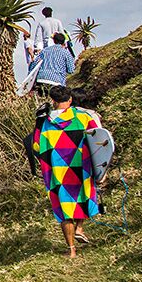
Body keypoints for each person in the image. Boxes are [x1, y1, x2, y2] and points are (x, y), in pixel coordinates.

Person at [36, 84, 101, 258]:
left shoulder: (45, 123)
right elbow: (99, 140)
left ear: (53, 101)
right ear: (70, 99)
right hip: (82, 168)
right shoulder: (84, 117)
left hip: (58, 173)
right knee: (83, 197)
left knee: (64, 209)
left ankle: (71, 250)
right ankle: (80, 228)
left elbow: (37, 146)